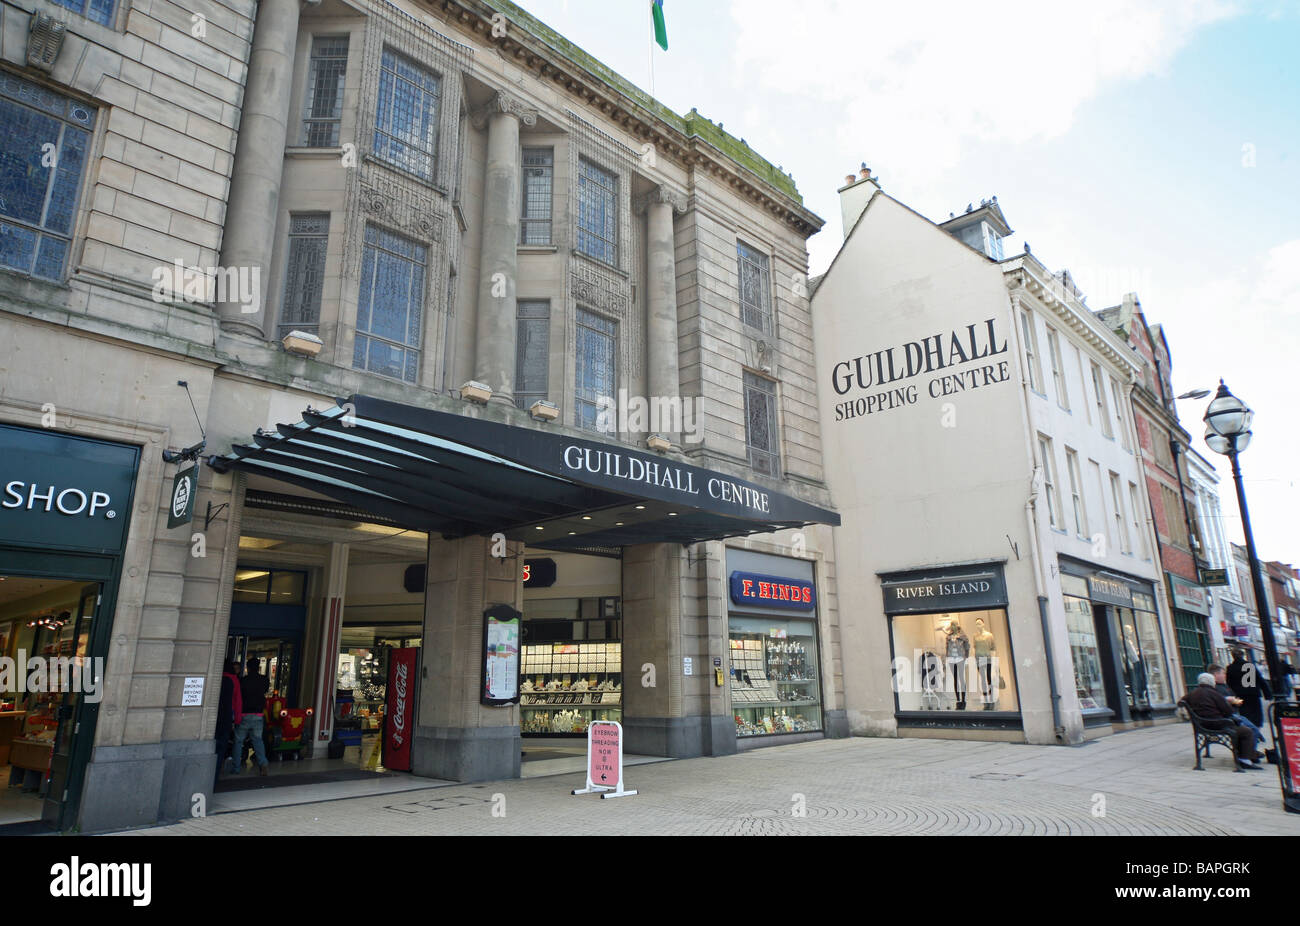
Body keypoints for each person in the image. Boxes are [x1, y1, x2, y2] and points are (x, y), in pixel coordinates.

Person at [1180, 672, 1262, 770]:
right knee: (1247, 731)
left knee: (1241, 729)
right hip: (1218, 724)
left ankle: (1249, 754)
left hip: (1201, 725)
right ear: (1211, 682)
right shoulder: (1213, 693)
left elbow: (1181, 702)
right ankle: (1245, 759)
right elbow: (1228, 711)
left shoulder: (1192, 693)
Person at [1210, 663, 1266, 755]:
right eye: (1223, 673)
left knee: (1253, 729)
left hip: (1231, 715)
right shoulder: (1216, 688)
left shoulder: (1224, 686)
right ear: (1216, 675)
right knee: (1252, 730)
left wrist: (1235, 701)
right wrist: (1231, 700)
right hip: (1228, 717)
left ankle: (1249, 752)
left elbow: (1235, 700)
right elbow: (1222, 703)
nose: (1225, 675)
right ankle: (1247, 754)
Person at [230, 657, 270, 776]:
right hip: (258, 714)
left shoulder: (243, 681)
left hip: (244, 714)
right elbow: (265, 691)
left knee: (238, 741)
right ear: (258, 668)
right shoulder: (264, 680)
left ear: (248, 668)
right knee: (258, 740)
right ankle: (263, 764)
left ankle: (236, 768)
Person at [214, 660, 242, 787]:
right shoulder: (233, 680)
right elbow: (237, 701)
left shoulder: (216, 678)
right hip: (225, 719)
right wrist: (237, 719)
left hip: (213, 718)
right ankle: (215, 776)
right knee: (221, 747)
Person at [1226, 649, 1271, 729]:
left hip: (1239, 695)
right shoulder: (1250, 666)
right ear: (1243, 655)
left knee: (1243, 712)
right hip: (1253, 694)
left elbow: (1229, 683)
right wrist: (1267, 694)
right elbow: (1260, 680)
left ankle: (1248, 728)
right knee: (1256, 712)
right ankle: (1256, 728)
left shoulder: (1230, 668)